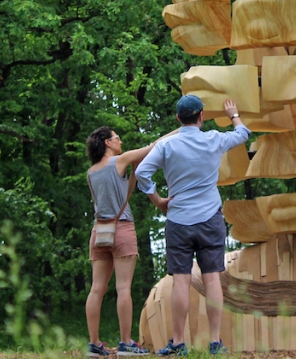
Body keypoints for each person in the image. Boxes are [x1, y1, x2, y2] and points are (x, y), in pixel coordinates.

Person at [135, 95, 250, 356]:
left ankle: (178, 343)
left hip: (178, 220)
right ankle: (215, 342)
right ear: (201, 117)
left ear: (178, 118)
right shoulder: (213, 140)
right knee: (212, 280)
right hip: (210, 219)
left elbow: (141, 172)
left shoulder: (166, 145)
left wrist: (159, 200)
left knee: (181, 282)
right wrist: (233, 114)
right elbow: (243, 133)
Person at [85, 127, 169, 358]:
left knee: (96, 289)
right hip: (121, 227)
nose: (120, 141)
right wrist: (177, 132)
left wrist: (132, 175)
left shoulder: (91, 172)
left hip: (99, 232)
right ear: (107, 143)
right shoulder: (119, 161)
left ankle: (94, 344)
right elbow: (153, 147)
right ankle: (125, 343)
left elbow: (124, 196)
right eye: (116, 138)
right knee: (123, 288)